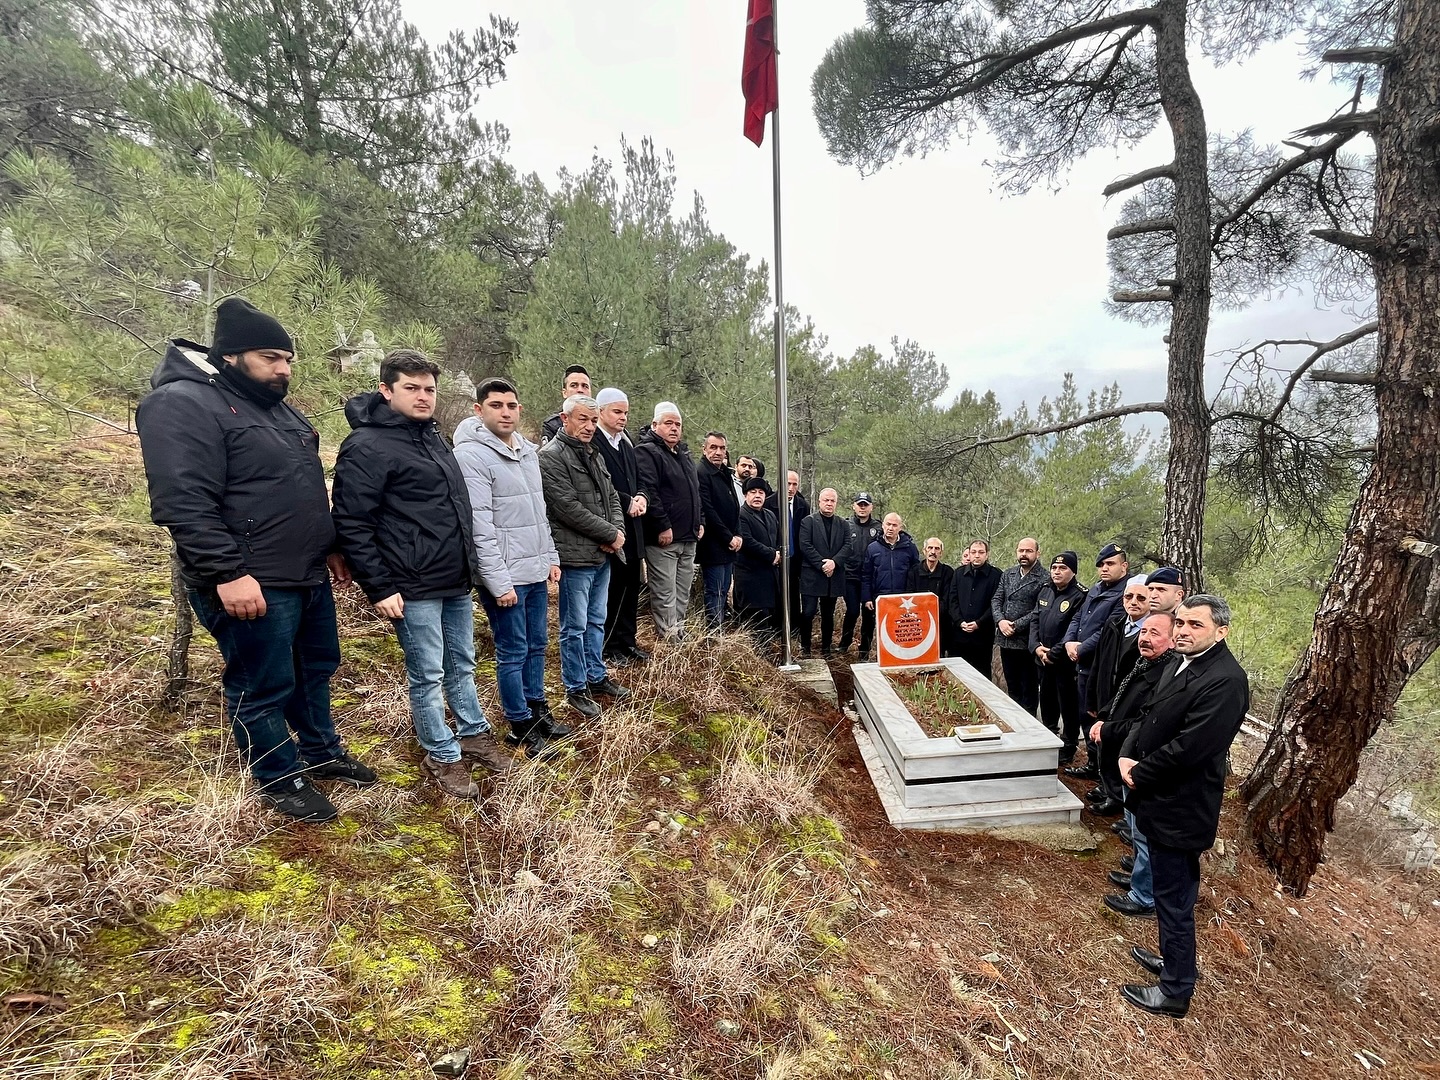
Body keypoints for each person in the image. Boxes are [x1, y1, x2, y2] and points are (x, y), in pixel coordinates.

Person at [136, 297, 376, 822]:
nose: (284, 369)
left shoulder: (279, 409)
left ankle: (319, 751)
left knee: (315, 668)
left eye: (288, 359)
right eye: (271, 357)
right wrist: (228, 573)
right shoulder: (180, 403)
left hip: (305, 571)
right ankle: (277, 776)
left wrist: (332, 543)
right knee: (262, 683)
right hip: (250, 579)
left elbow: (305, 488)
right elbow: (184, 501)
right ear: (231, 356)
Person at [331, 350, 510, 801]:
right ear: (386, 391)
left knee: (463, 664)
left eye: (429, 388)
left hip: (452, 578)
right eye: (411, 388)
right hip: (409, 585)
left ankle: (472, 733)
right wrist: (380, 586)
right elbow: (352, 522)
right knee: (427, 672)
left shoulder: (432, 438)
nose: (423, 396)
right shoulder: (366, 446)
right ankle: (441, 752)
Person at [1118, 595, 1250, 1019]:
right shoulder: (1182, 661)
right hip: (1157, 796)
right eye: (1180, 623)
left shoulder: (1227, 681)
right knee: (1167, 891)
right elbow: (1149, 715)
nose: (1183, 631)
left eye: (1195, 625)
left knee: (1174, 899)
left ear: (1221, 631)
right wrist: (1126, 752)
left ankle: (1175, 990)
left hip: (1181, 806)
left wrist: (1140, 773)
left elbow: (1190, 748)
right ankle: (1175, 962)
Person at [453, 378, 564, 759]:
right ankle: (518, 723)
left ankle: (537, 710)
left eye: (512, 405)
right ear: (479, 410)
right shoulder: (471, 456)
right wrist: (498, 582)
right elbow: (479, 525)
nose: (505, 412)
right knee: (513, 648)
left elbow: (538, 513)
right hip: (505, 576)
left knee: (537, 645)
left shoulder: (527, 452)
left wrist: (550, 555)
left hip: (533, 567)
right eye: (496, 405)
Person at [539, 394, 631, 720]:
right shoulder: (550, 457)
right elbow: (567, 508)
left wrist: (616, 534)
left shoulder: (594, 454)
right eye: (583, 419)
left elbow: (613, 499)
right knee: (574, 626)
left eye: (593, 421)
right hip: (576, 557)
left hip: (603, 554)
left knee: (596, 621)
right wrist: (610, 534)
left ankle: (596, 675)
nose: (589, 426)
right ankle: (575, 687)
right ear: (565, 419)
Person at [1093, 611, 1176, 921]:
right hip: (1128, 755)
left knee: (1143, 831)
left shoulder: (1166, 674)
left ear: (1171, 640)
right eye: (1144, 631)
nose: (1145, 638)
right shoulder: (1143, 663)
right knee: (1134, 826)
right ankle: (1140, 878)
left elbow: (1142, 721)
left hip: (1142, 761)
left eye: (1155, 633)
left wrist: (1113, 732)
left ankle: (1144, 897)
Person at [634, 401, 704, 641]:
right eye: (668, 423)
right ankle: (669, 640)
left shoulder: (683, 454)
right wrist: (662, 525)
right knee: (665, 592)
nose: (674, 428)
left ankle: (679, 633)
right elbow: (649, 491)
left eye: (678, 424)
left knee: (682, 592)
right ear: (655, 424)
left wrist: (700, 521)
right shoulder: (647, 451)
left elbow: (695, 491)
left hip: (688, 536)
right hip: (665, 538)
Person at [1083, 573, 1152, 813]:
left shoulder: (1150, 633)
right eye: (1129, 596)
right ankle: (1106, 786)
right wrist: (1091, 696)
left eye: (1140, 598)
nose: (1133, 602)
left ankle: (1117, 798)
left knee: (1120, 746)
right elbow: (1099, 661)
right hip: (1105, 695)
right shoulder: (1115, 624)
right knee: (1102, 743)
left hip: (1128, 703)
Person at [593, 388, 650, 666]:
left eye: (626, 412)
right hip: (612, 527)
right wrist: (627, 501)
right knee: (613, 590)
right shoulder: (594, 442)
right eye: (617, 411)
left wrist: (642, 497)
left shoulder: (626, 444)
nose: (623, 417)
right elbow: (601, 486)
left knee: (630, 588)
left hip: (634, 527)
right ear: (601, 411)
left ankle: (628, 641)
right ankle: (610, 645)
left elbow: (638, 479)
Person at [1062, 543, 1129, 769]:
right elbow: (1077, 618)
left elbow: (1108, 631)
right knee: (1084, 716)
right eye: (1101, 565)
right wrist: (1069, 642)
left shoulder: (1126, 594)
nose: (1104, 568)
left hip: (1101, 666)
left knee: (1100, 720)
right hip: (1081, 665)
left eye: (1110, 563)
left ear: (1124, 566)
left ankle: (1103, 771)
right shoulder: (1096, 589)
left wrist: (1080, 649)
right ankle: (1092, 763)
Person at [1031, 551, 1086, 744]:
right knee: (1046, 701)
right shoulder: (1045, 589)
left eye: (1063, 568)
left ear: (1073, 571)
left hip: (1063, 661)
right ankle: (1048, 736)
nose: (1057, 572)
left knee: (1068, 704)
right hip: (1042, 658)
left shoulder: (1080, 595)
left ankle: (1069, 742)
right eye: (1054, 567)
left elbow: (1075, 629)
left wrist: (1053, 653)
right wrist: (1036, 647)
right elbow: (1035, 619)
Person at [992, 537, 1047, 714]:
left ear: (1038, 553)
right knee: (1012, 685)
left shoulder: (1045, 577)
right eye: (1021, 551)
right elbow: (996, 599)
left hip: (1026, 640)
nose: (1024, 554)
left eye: (1029, 551)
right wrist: (1000, 621)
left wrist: (1015, 626)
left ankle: (1030, 723)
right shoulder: (1008, 574)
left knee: (1029, 687)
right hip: (1005, 639)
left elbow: (1039, 609)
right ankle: (1015, 720)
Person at [695, 431, 742, 631]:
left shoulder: (725, 472)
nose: (718, 452)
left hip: (730, 544)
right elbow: (708, 510)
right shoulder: (702, 472)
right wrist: (728, 537)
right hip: (713, 543)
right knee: (714, 591)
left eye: (722, 448)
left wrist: (738, 534)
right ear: (704, 449)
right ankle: (714, 633)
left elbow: (734, 506)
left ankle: (720, 628)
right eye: (713, 447)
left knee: (724, 590)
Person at [796, 488, 850, 657]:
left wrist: (834, 562)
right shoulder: (808, 522)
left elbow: (848, 546)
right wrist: (822, 565)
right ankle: (805, 648)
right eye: (826, 500)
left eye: (832, 501)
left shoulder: (843, 524)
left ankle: (826, 649)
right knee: (808, 612)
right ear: (819, 502)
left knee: (828, 614)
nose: (829, 503)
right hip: (812, 575)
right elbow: (805, 545)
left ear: (836, 503)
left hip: (833, 576)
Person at [766, 470, 811, 648]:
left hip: (795, 557)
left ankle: (793, 630)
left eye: (794, 485)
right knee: (776, 593)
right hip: (775, 556)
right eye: (788, 484)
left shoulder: (802, 505)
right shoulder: (769, 503)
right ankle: (776, 629)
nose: (791, 488)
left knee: (793, 594)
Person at [734, 478, 782, 643]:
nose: (757, 496)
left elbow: (778, 539)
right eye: (753, 492)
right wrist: (771, 554)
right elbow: (747, 541)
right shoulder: (740, 515)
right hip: (750, 579)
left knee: (769, 622)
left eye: (761, 493)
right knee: (755, 623)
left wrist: (778, 553)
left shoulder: (769, 515)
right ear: (746, 495)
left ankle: (767, 656)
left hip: (770, 578)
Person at [947, 540, 1001, 678]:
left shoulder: (996, 575)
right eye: (974, 552)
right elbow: (952, 601)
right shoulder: (958, 574)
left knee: (981, 675)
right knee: (958, 676)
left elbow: (995, 604)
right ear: (969, 554)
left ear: (987, 554)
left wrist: (979, 623)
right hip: (959, 634)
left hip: (983, 635)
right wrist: (959, 621)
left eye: (981, 552)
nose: (977, 555)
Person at [840, 493, 881, 656]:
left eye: (865, 505)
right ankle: (844, 644)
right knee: (852, 611)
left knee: (868, 615)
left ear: (871, 507)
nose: (862, 507)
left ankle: (864, 649)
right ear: (854, 506)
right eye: (860, 504)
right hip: (850, 576)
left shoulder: (878, 527)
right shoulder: (846, 525)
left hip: (870, 579)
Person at [862, 514, 920, 628]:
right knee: (874, 629)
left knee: (899, 631)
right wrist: (867, 598)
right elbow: (866, 575)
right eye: (888, 524)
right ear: (883, 525)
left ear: (900, 527)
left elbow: (916, 573)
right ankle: (866, 646)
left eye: (894, 525)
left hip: (903, 599)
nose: (890, 528)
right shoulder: (873, 548)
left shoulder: (910, 547)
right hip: (880, 598)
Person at [540, 364, 591, 445]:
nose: (580, 390)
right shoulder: (552, 425)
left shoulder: (598, 423)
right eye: (574, 385)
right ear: (564, 393)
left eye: (585, 386)